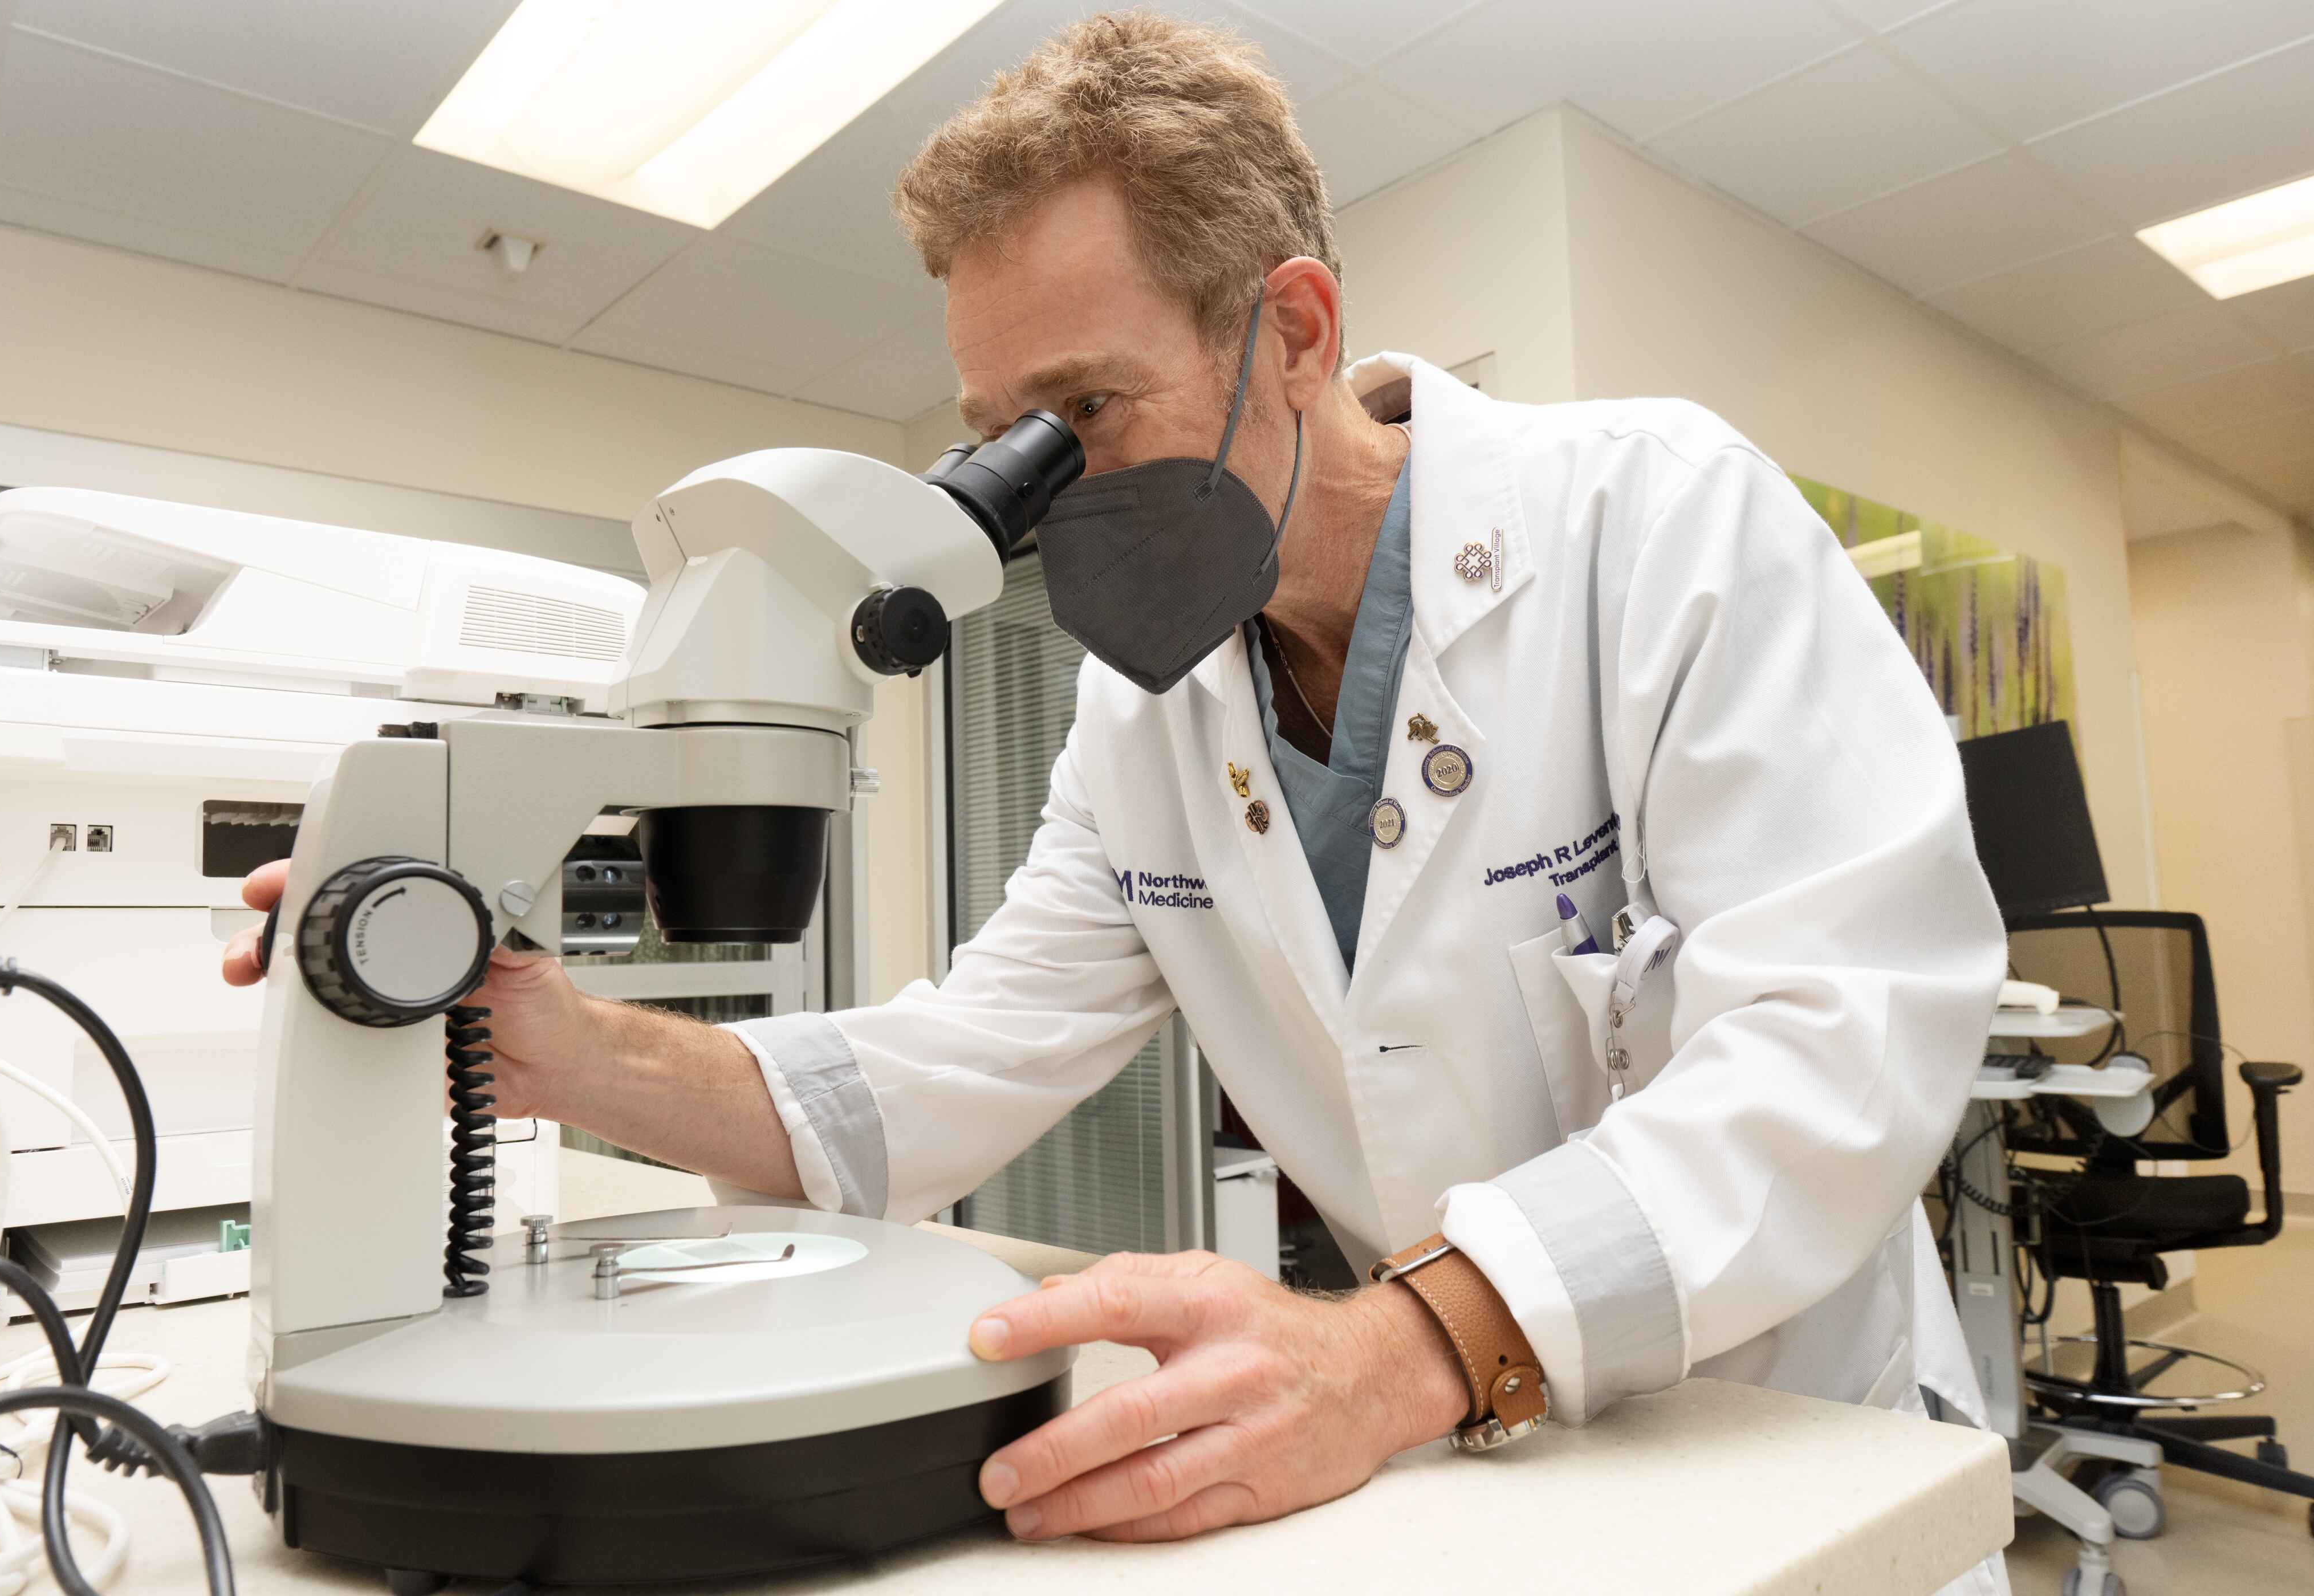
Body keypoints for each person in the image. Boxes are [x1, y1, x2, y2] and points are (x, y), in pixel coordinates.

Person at [226, 11, 2005, 1580]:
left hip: (1779, 1442)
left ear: (1293, 331)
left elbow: (1841, 1037)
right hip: (1466, 1479)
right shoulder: (1143, 711)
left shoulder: (1659, 523)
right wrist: (555, 1045)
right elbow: (954, 1068)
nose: (1043, 487)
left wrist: (1395, 1351)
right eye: (1002, 427)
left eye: (1089, 405)